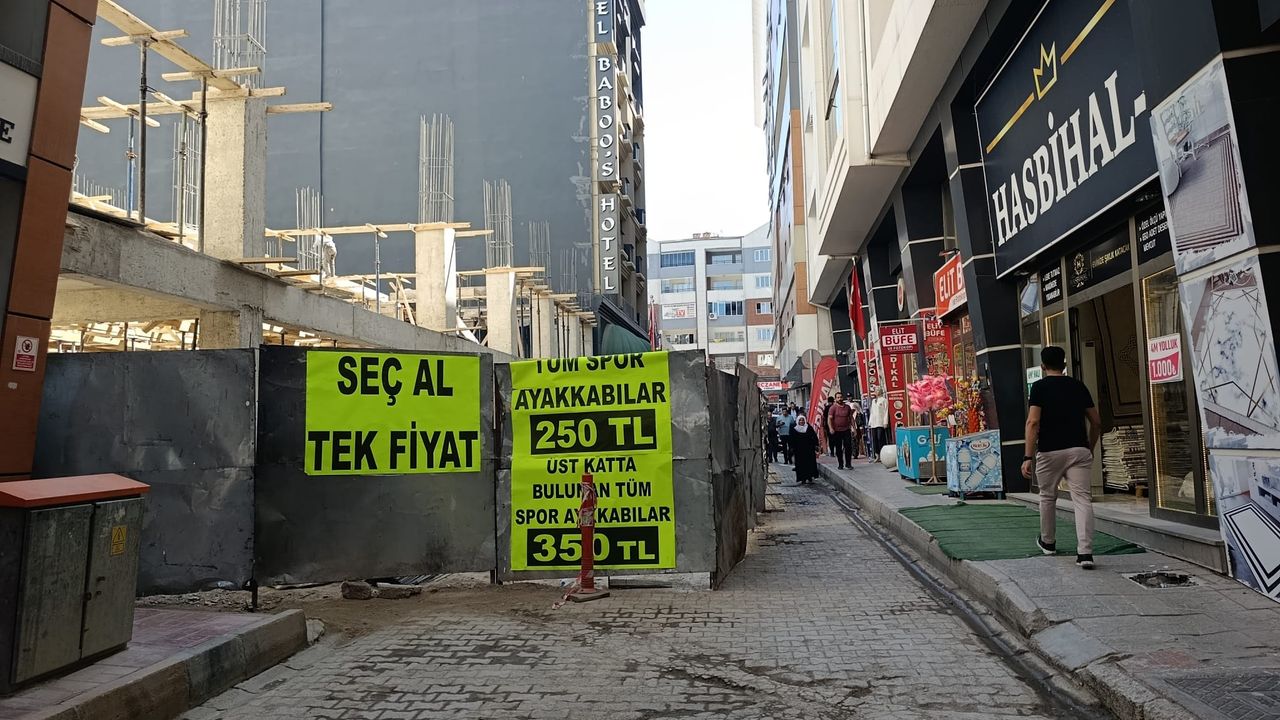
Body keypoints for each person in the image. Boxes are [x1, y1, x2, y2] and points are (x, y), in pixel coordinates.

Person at [1022, 346, 1102, 570]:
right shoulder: (1078, 386)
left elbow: (1033, 422)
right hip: (1079, 450)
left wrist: (1028, 456)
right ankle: (1085, 552)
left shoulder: (1039, 387)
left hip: (1050, 451)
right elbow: (1096, 422)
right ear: (1064, 365)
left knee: (1047, 497)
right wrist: (1089, 447)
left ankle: (1048, 542)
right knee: (1082, 499)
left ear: (1042, 366)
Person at [826, 391, 855, 470]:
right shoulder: (833, 408)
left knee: (848, 446)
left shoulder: (847, 407)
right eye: (838, 397)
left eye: (841, 397)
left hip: (846, 429)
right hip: (837, 431)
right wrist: (831, 428)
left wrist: (854, 428)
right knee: (838, 448)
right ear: (835, 399)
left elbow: (851, 418)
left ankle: (848, 464)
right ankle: (840, 464)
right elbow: (829, 419)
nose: (840, 399)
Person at [791, 414, 821, 484]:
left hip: (809, 450)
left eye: (803, 420)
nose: (801, 421)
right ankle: (802, 478)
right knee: (801, 465)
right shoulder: (795, 429)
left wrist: (816, 445)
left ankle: (809, 477)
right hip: (799, 451)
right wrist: (792, 448)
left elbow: (814, 437)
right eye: (800, 420)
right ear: (798, 421)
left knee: (809, 464)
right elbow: (792, 440)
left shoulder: (809, 428)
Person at [868, 391, 889, 463]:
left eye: (877, 390)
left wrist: (885, 422)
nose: (875, 392)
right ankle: (877, 455)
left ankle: (883, 454)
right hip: (874, 423)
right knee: (875, 439)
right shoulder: (873, 401)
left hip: (880, 422)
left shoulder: (884, 400)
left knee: (880, 438)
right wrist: (870, 422)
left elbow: (886, 411)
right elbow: (872, 412)